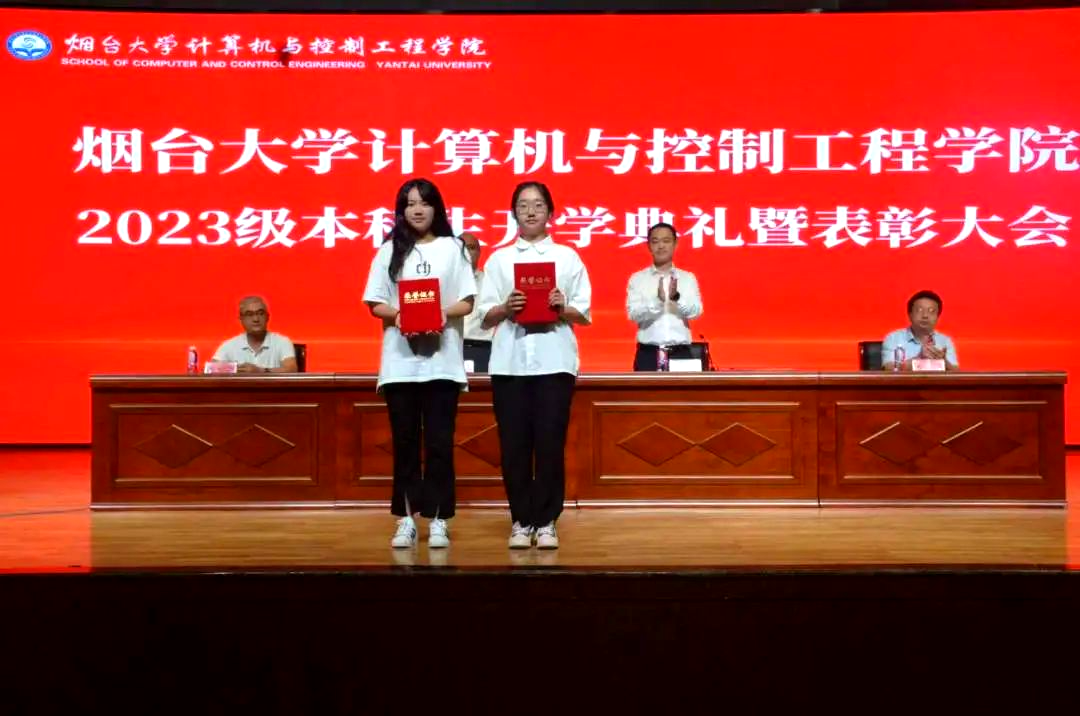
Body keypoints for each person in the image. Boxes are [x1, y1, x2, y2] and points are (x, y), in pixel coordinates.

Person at [362, 178, 477, 549]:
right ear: (401, 210)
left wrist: (440, 314)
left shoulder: (454, 248)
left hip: (443, 363)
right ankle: (406, 519)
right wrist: (401, 316)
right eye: (410, 203)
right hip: (400, 364)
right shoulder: (388, 251)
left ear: (436, 208)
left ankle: (439, 518)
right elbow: (374, 302)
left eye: (424, 203)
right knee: (405, 444)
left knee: (440, 443)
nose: (417, 209)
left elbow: (468, 301)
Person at [477, 181, 591, 550]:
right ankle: (520, 519)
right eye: (523, 205)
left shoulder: (567, 257)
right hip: (509, 364)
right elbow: (484, 316)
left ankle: (546, 522)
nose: (530, 211)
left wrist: (562, 306)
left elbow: (584, 313)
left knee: (549, 444)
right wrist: (505, 308)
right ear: (514, 212)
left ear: (550, 212)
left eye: (538, 205)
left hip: (554, 363)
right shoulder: (499, 259)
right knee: (514, 445)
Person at [625, 222, 703, 370]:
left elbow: (696, 312)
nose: (661, 246)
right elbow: (633, 315)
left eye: (666, 241)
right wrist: (658, 301)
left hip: (681, 353)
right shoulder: (637, 279)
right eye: (655, 241)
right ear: (648, 246)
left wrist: (677, 297)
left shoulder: (688, 278)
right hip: (648, 354)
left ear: (675, 244)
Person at [210, 296, 297, 373]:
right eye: (249, 314)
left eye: (260, 313)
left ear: (267, 317)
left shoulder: (282, 342)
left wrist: (261, 371)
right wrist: (235, 369)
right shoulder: (229, 345)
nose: (256, 319)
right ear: (241, 319)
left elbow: (292, 369)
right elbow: (210, 370)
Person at [882, 289, 960, 371]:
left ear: (938, 317)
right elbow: (888, 368)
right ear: (909, 314)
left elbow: (956, 372)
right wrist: (919, 358)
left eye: (931, 311)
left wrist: (944, 362)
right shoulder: (893, 338)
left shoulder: (945, 341)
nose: (925, 315)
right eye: (919, 310)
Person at [460, 231, 494, 372]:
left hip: (483, 349)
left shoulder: (491, 282)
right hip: (449, 350)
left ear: (479, 253)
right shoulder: (442, 283)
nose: (467, 253)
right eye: (462, 248)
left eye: (471, 248)